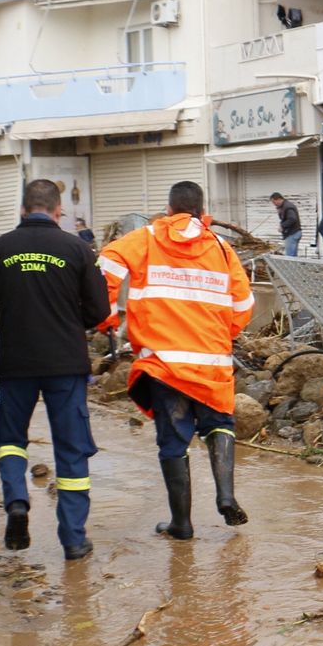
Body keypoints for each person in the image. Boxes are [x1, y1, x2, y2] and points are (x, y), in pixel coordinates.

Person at [0, 179, 111, 562]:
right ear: (58, 211)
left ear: (23, 210)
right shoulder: (78, 249)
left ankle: (16, 502)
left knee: (11, 438)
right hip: (66, 365)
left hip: (16, 364)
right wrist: (66, 318)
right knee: (70, 450)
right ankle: (74, 540)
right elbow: (99, 312)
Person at [100, 181, 255, 538]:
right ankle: (226, 495)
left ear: (168, 210)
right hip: (212, 362)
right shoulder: (220, 247)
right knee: (219, 425)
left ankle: (181, 525)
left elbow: (106, 263)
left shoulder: (148, 237)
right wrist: (221, 333)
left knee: (173, 444)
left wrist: (108, 317)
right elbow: (245, 306)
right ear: (203, 213)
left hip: (165, 365)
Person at [271, 192, 303, 257]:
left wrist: (282, 226)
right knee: (293, 256)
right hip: (295, 232)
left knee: (290, 256)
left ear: (279, 199)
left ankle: (291, 267)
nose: (274, 204)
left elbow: (292, 219)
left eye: (274, 202)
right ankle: (293, 267)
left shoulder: (287, 207)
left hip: (292, 233)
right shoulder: (284, 206)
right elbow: (285, 218)